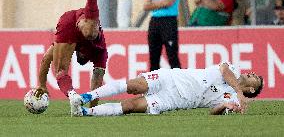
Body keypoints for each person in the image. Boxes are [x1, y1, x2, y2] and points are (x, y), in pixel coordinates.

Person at [69, 62, 263, 116]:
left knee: (131, 106)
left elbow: (214, 110)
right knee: (134, 85)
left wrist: (226, 105)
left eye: (256, 78)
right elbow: (223, 69)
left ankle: (84, 112)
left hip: (175, 100)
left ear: (252, 90)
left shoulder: (236, 100)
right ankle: (85, 97)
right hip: (172, 77)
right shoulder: (234, 72)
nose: (253, 73)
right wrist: (238, 90)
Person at [34, 0, 108, 108]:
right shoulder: (101, 50)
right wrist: (93, 108)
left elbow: (46, 58)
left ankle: (73, 96)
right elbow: (97, 82)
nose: (76, 50)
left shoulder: (99, 53)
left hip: (72, 22)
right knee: (90, 34)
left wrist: (42, 84)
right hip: (77, 20)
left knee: (60, 70)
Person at [143, 0, 181, 71]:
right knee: (153, 56)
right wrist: (162, 2)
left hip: (169, 21)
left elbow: (169, 2)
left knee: (172, 55)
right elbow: (145, 6)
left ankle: (179, 84)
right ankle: (154, 86)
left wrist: (153, 3)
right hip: (155, 21)